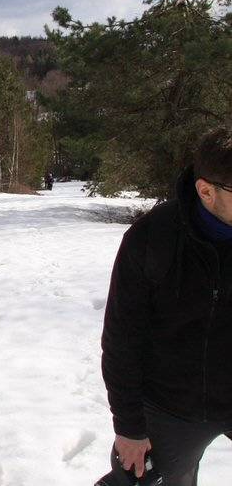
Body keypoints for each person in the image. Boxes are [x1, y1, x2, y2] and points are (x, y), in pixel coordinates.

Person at [99, 126, 232, 485]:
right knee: (138, 478)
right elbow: (121, 341)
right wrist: (128, 426)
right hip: (170, 404)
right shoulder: (151, 240)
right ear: (206, 191)